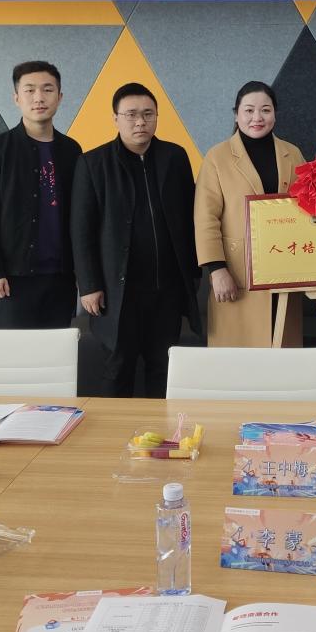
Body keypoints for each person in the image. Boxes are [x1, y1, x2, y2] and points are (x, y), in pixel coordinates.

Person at [72, 83, 200, 397]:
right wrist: (89, 285)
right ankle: (114, 429)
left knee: (163, 368)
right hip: (117, 291)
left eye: (147, 114)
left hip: (166, 289)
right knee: (117, 368)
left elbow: (191, 217)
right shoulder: (93, 163)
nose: (140, 122)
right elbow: (81, 229)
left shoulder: (175, 157)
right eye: (131, 115)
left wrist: (193, 275)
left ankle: (161, 429)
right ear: (115, 119)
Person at [0, 61, 81, 330]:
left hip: (61, 277)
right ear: (16, 98)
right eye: (30, 90)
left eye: (47, 89)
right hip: (12, 278)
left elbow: (81, 216)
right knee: (12, 354)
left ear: (60, 97)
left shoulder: (72, 150)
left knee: (57, 353)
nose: (39, 97)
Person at [194, 81, 305, 348]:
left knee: (283, 353)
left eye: (265, 110)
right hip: (236, 271)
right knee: (238, 358)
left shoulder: (293, 153)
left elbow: (306, 208)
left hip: (285, 268)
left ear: (275, 114)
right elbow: (205, 217)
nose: (257, 117)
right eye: (249, 110)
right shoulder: (217, 156)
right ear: (236, 115)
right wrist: (216, 270)